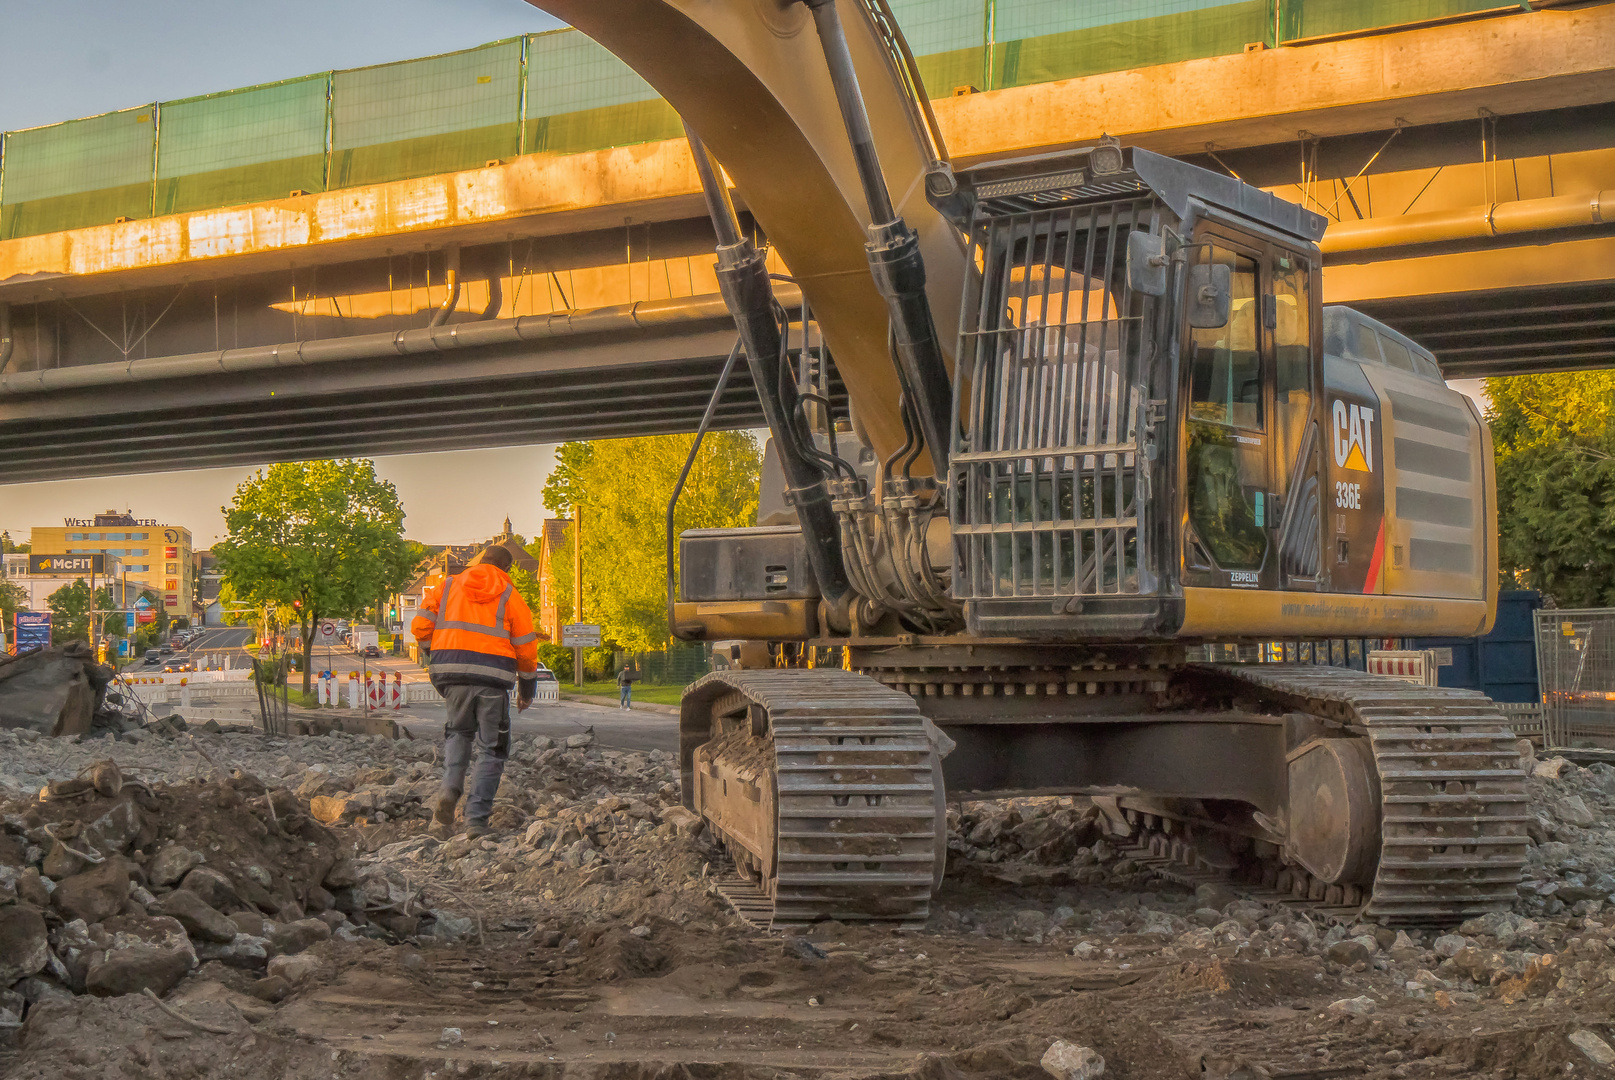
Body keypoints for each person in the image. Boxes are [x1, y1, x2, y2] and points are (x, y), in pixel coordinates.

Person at [411, 545, 544, 838]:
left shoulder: (447, 586)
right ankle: (476, 821)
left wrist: (435, 652)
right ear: (507, 569)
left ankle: (449, 789)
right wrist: (527, 688)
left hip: (452, 675)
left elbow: (420, 626)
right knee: (492, 750)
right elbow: (526, 648)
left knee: (458, 732)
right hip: (492, 679)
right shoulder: (510, 596)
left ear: (480, 561)